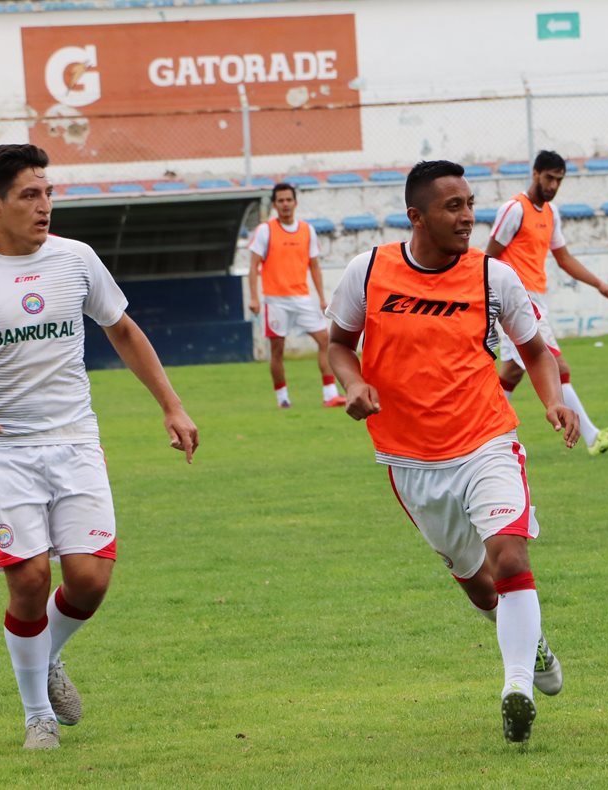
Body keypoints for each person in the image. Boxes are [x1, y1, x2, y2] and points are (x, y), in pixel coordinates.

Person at [0, 144, 199, 750]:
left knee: (91, 581)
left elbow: (122, 330)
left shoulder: (76, 259)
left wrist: (171, 405)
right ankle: (37, 714)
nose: (44, 207)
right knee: (32, 580)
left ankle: (44, 657)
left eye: (48, 193)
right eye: (29, 196)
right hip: (3, 451)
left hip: (75, 441)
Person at [326, 160, 578, 744]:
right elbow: (340, 344)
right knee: (481, 584)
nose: (468, 217)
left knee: (510, 557)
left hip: (487, 441)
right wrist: (353, 383)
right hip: (411, 462)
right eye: (453, 207)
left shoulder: (494, 278)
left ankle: (515, 686)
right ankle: (531, 643)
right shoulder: (368, 271)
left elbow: (536, 351)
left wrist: (551, 402)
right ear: (416, 216)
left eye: (470, 204)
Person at [485, 150, 608, 457]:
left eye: (559, 180)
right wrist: (493, 298)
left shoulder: (551, 213)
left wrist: (600, 285)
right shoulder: (514, 209)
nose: (553, 185)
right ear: (535, 173)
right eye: (549, 177)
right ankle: (592, 437)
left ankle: (482, 430)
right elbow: (489, 257)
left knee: (512, 371)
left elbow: (563, 258)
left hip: (536, 298)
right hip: (517, 299)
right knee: (557, 366)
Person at [247, 182, 346, 409]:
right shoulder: (265, 230)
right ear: (274, 204)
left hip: (302, 298)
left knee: (326, 341)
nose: (285, 204)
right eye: (280, 200)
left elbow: (314, 266)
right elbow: (253, 266)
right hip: (275, 300)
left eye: (288, 200)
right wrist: (254, 297)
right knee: (278, 350)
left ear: (295, 203)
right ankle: (283, 399)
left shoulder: (306, 230)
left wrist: (322, 297)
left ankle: (330, 394)